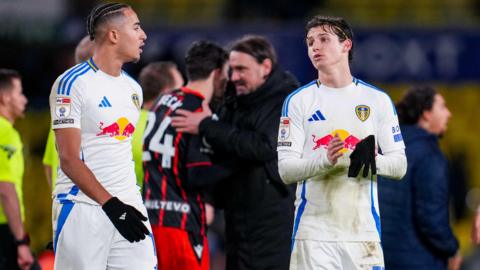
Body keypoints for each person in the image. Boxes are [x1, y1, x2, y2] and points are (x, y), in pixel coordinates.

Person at [277, 15, 407, 269]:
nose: (315, 47)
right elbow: (286, 170)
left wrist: (371, 160)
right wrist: (325, 160)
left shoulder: (377, 100)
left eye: (324, 39)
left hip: (362, 234)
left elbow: (400, 165)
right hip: (314, 234)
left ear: (346, 45)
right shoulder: (298, 101)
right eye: (310, 41)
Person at [172, 35, 299, 270]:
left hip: (272, 217)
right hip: (236, 214)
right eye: (231, 70)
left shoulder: (286, 101)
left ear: (266, 67)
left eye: (242, 69)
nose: (234, 77)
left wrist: (206, 124)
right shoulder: (235, 98)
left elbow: (263, 147)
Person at [49, 3, 156, 269]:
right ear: (113, 35)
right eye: (136, 27)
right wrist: (110, 205)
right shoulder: (71, 83)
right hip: (82, 206)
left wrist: (123, 204)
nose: (143, 35)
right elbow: (69, 159)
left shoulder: (133, 89)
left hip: (128, 204)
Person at [143, 41, 229, 270]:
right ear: (218, 72)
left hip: (152, 218)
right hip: (181, 224)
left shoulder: (163, 101)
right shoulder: (198, 110)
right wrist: (235, 163)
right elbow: (198, 175)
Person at [379, 86, 461, 270]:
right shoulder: (429, 155)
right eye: (442, 107)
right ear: (426, 114)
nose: (448, 114)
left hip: (380, 258)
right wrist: (452, 249)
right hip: (419, 261)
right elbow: (431, 218)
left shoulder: (386, 148)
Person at [43, 35, 95, 190]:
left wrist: (59, 196)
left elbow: (48, 164)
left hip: (68, 204)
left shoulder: (65, 114)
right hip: (87, 206)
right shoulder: (95, 113)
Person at [0, 69, 34, 269]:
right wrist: (21, 242)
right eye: (20, 93)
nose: (24, 99)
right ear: (5, 98)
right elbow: (5, 189)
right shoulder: (6, 134)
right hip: (4, 232)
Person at [133, 61, 184, 187]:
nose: (183, 94)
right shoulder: (171, 127)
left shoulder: (124, 124)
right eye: (180, 88)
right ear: (167, 92)